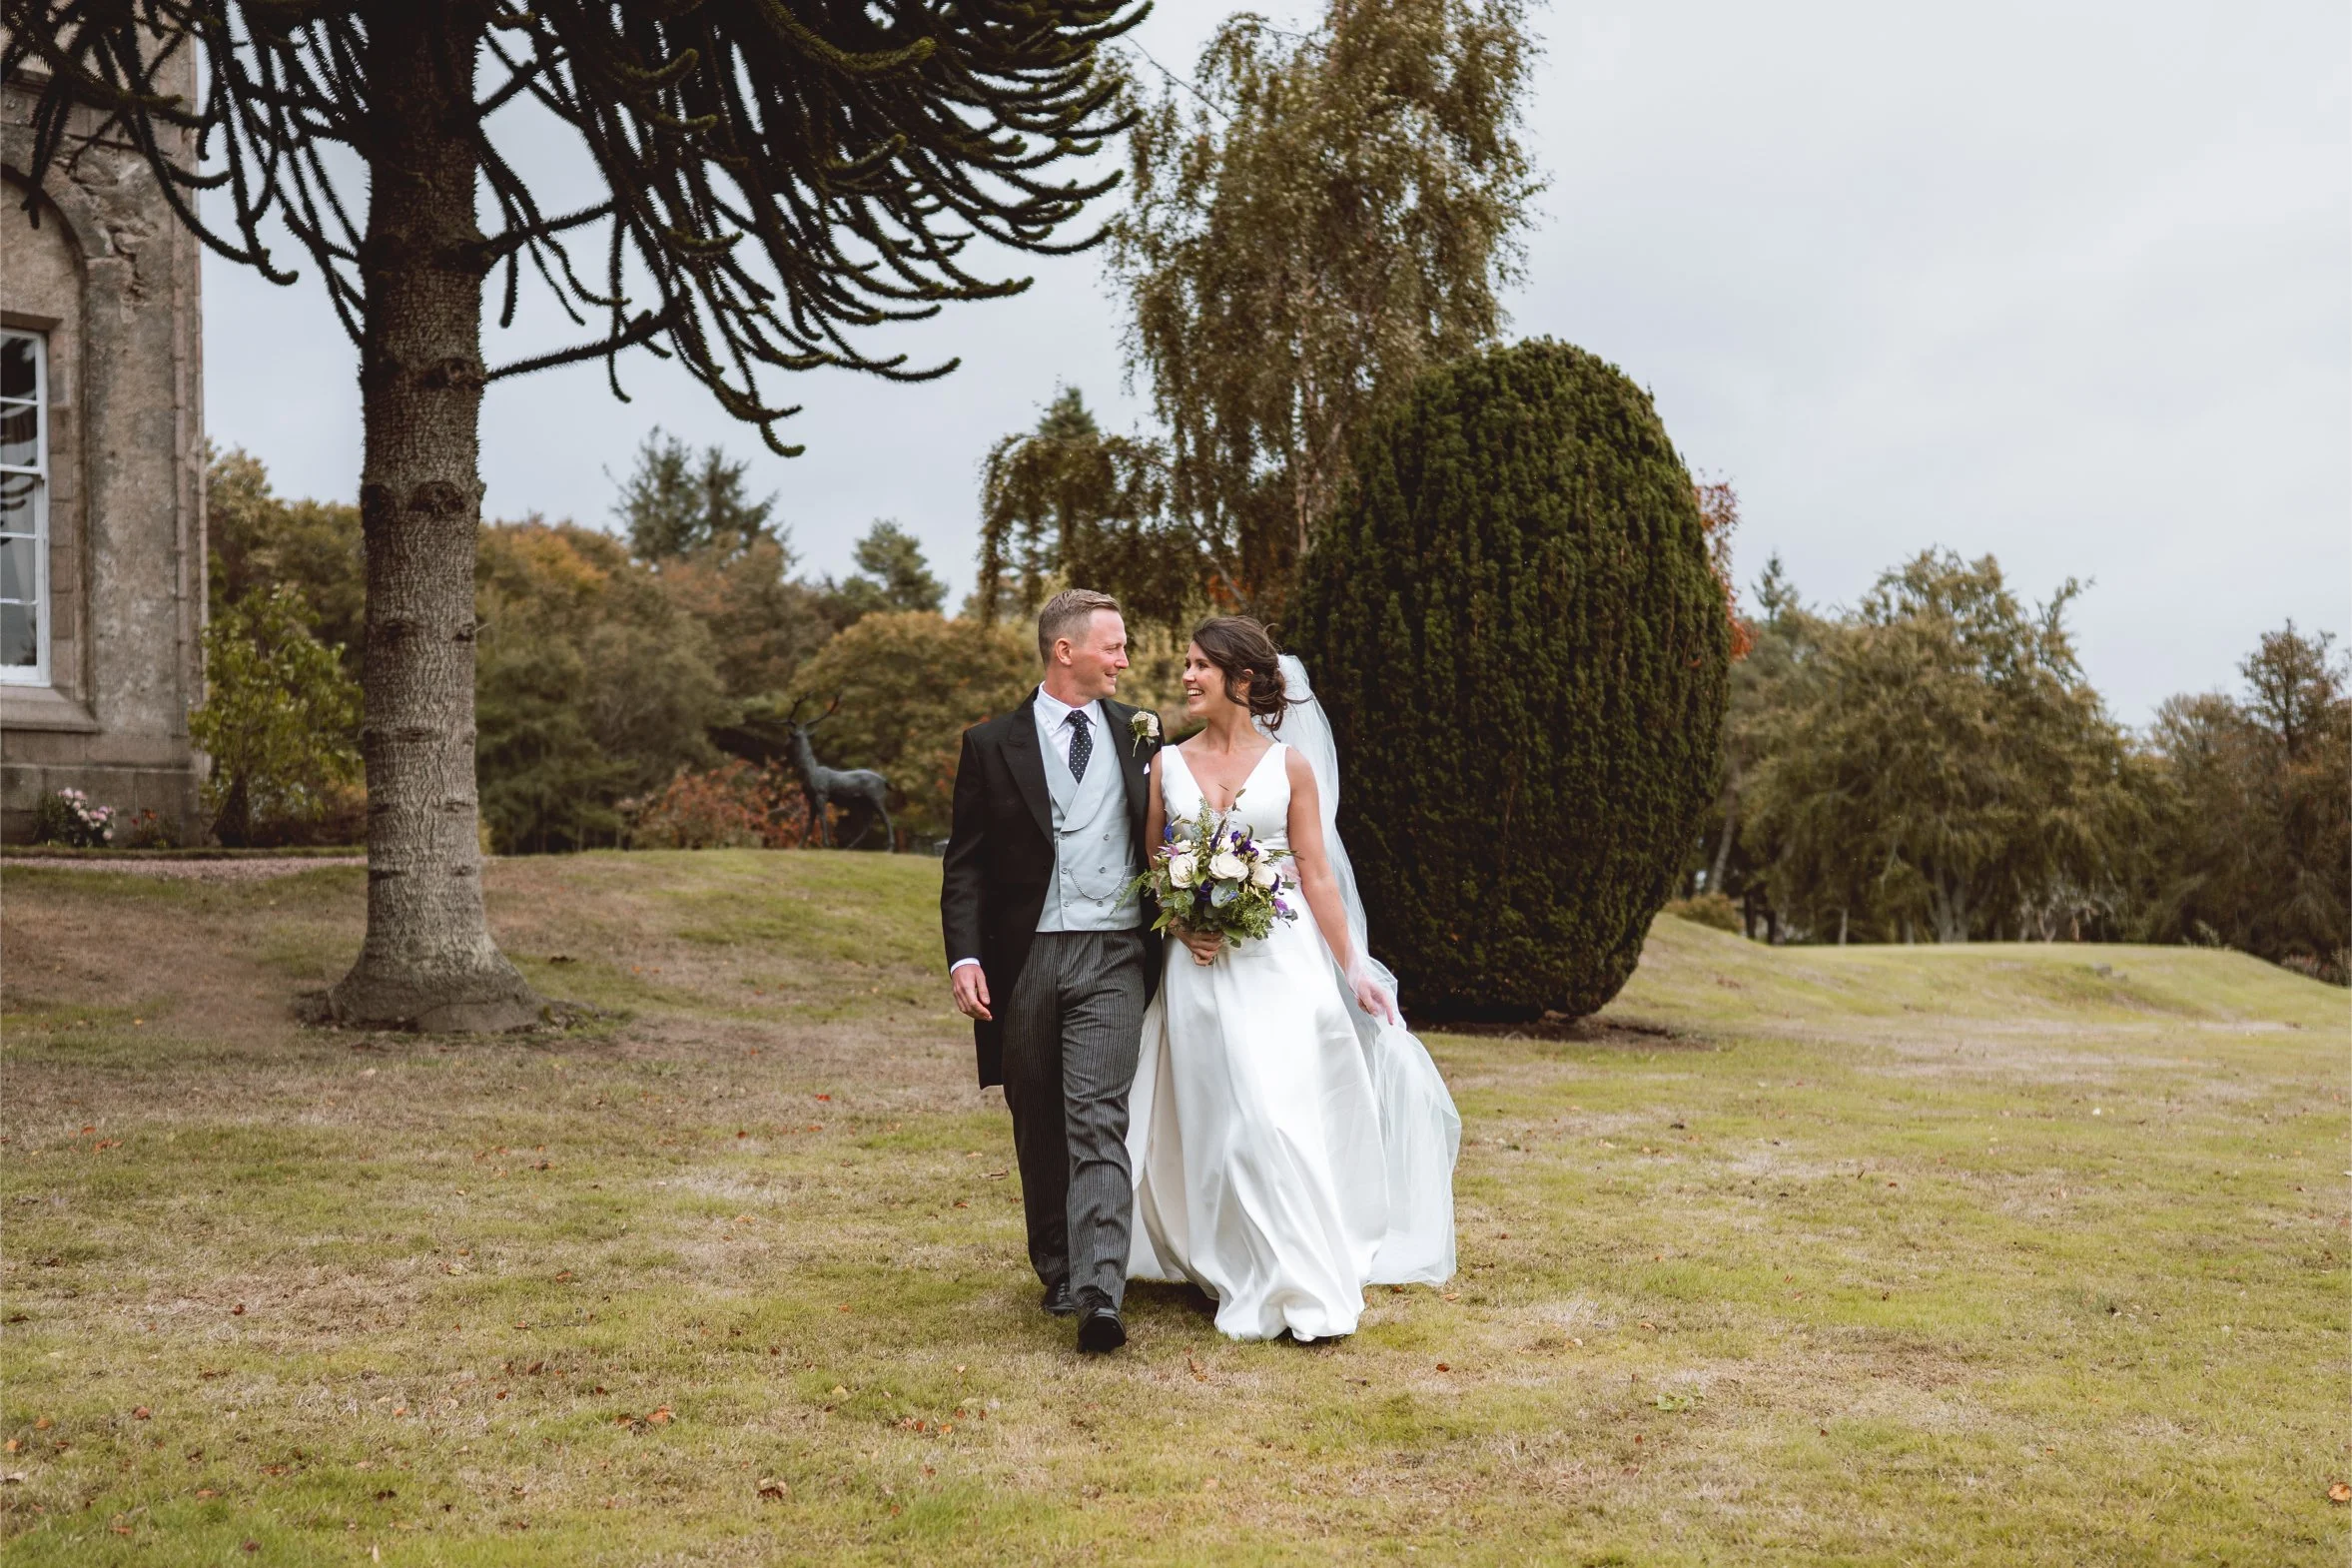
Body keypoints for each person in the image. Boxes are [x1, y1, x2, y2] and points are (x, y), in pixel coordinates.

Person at [1125, 617, 1459, 1341]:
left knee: (1272, 1113)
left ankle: (1300, 1276)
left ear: (1241, 682)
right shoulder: (1165, 766)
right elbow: (1152, 863)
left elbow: (1314, 874)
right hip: (1200, 969)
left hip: (1281, 962)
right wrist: (1182, 924)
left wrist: (1353, 968)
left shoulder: (1290, 769)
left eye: (1199, 666)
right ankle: (1232, 1262)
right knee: (1217, 1118)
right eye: (1185, 664)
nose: (1185, 676)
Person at [940, 589, 1164, 1354]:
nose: (1125, 659)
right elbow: (964, 866)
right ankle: (1059, 1270)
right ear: (1064, 651)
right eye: (1115, 645)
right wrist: (964, 955)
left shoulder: (1142, 734)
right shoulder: (989, 744)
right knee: (1037, 1115)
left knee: (1098, 1114)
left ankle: (1101, 1290)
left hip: (1113, 952)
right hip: (1024, 955)